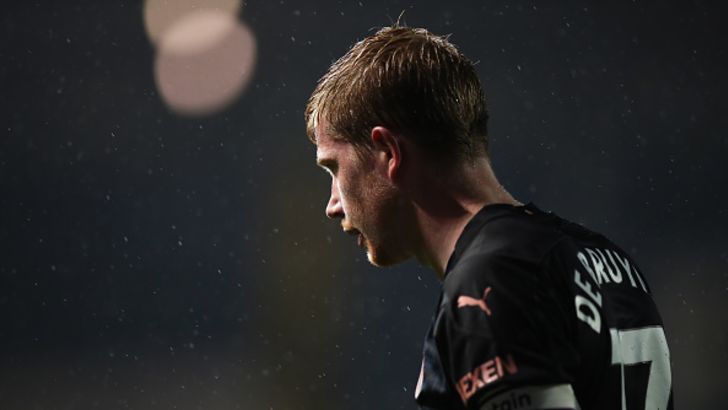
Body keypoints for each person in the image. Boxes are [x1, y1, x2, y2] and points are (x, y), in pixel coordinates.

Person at [304, 25, 673, 410]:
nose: (333, 204)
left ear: (389, 153)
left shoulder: (490, 282)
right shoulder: (608, 260)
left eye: (334, 169)